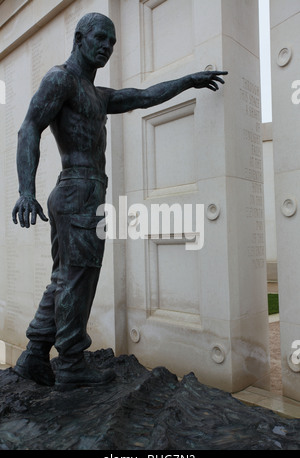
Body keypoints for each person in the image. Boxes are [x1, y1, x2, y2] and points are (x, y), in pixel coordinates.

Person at [12, 12, 227, 391]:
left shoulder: (96, 94)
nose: (107, 47)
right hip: (77, 190)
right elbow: (29, 125)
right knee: (78, 280)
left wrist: (189, 81)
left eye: (112, 42)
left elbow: (144, 97)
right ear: (79, 38)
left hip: (86, 192)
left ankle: (33, 353)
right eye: (100, 38)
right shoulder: (61, 79)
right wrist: (25, 191)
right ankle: (73, 362)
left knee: (65, 278)